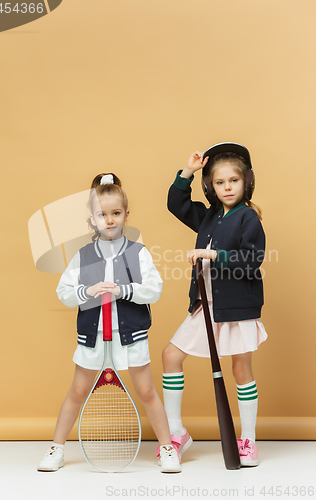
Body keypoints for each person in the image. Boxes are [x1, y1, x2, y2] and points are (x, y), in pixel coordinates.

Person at [37, 173, 181, 473]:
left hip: (131, 338)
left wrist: (123, 290)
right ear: (92, 219)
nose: (110, 220)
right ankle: (56, 449)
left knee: (147, 392)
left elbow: (154, 289)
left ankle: (168, 448)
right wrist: (87, 291)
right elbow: (63, 292)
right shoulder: (83, 256)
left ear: (126, 215)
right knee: (77, 392)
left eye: (116, 213)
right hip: (92, 339)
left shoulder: (137, 253)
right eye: (103, 215)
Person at [161, 143, 267, 467]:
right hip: (204, 306)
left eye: (233, 181)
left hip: (236, 309)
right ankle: (176, 433)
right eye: (220, 182)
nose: (227, 188)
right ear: (211, 186)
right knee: (171, 356)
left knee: (240, 369)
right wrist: (188, 172)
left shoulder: (248, 217)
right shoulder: (209, 216)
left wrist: (214, 255)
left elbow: (252, 260)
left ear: (246, 181)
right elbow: (176, 205)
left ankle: (247, 441)